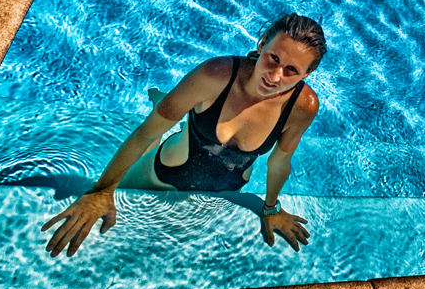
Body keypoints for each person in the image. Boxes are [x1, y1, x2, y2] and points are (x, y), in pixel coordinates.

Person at [42, 14, 324, 257]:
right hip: (162, 173)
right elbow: (145, 133)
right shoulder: (216, 75)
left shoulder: (303, 107)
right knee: (162, 123)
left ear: (308, 73)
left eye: (291, 71)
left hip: (226, 186)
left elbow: (279, 161)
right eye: (273, 58)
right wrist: (102, 190)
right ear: (262, 44)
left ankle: (168, 103)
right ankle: (161, 100)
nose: (274, 76)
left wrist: (271, 208)